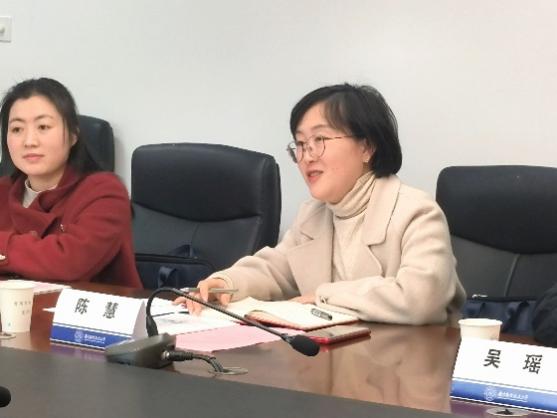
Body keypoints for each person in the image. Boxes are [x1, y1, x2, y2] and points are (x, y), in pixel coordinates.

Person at [178, 83, 465, 325]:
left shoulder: (416, 212)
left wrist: (324, 296)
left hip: (406, 365)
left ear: (367, 147)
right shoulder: (314, 214)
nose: (307, 156)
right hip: (335, 360)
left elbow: (420, 298)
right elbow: (275, 270)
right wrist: (225, 283)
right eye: (301, 144)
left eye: (320, 139)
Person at [0, 78, 142, 288]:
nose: (29, 141)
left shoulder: (105, 192)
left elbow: (70, 262)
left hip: (89, 309)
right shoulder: (3, 191)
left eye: (43, 126)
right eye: (17, 129)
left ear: (74, 135)